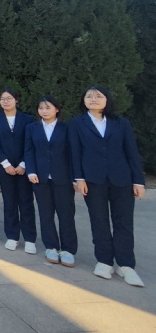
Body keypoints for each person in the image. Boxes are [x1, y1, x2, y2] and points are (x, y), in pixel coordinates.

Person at [68, 85, 146, 287]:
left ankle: (126, 265)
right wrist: (79, 178)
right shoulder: (77, 123)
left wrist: (138, 181)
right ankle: (104, 261)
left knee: (124, 222)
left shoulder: (121, 123)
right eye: (89, 96)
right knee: (99, 220)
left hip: (122, 179)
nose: (93, 99)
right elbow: (75, 152)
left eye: (98, 96)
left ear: (107, 100)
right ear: (84, 100)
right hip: (93, 180)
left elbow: (131, 152)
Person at [24, 95, 77, 267]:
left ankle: (68, 249)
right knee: (45, 213)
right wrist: (31, 171)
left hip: (63, 177)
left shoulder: (66, 128)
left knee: (66, 214)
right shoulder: (32, 128)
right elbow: (28, 151)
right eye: (41, 108)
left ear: (57, 109)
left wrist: (75, 178)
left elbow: (73, 154)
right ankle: (51, 247)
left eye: (48, 107)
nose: (44, 111)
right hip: (40, 177)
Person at [0, 87, 37, 254]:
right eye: (2, 99)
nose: (6, 101)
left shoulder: (28, 119)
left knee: (26, 202)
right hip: (4, 167)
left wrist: (24, 164)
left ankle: (30, 238)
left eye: (9, 98)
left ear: (16, 100)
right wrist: (5, 164)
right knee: (9, 202)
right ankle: (12, 236)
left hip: (24, 167)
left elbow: (30, 143)